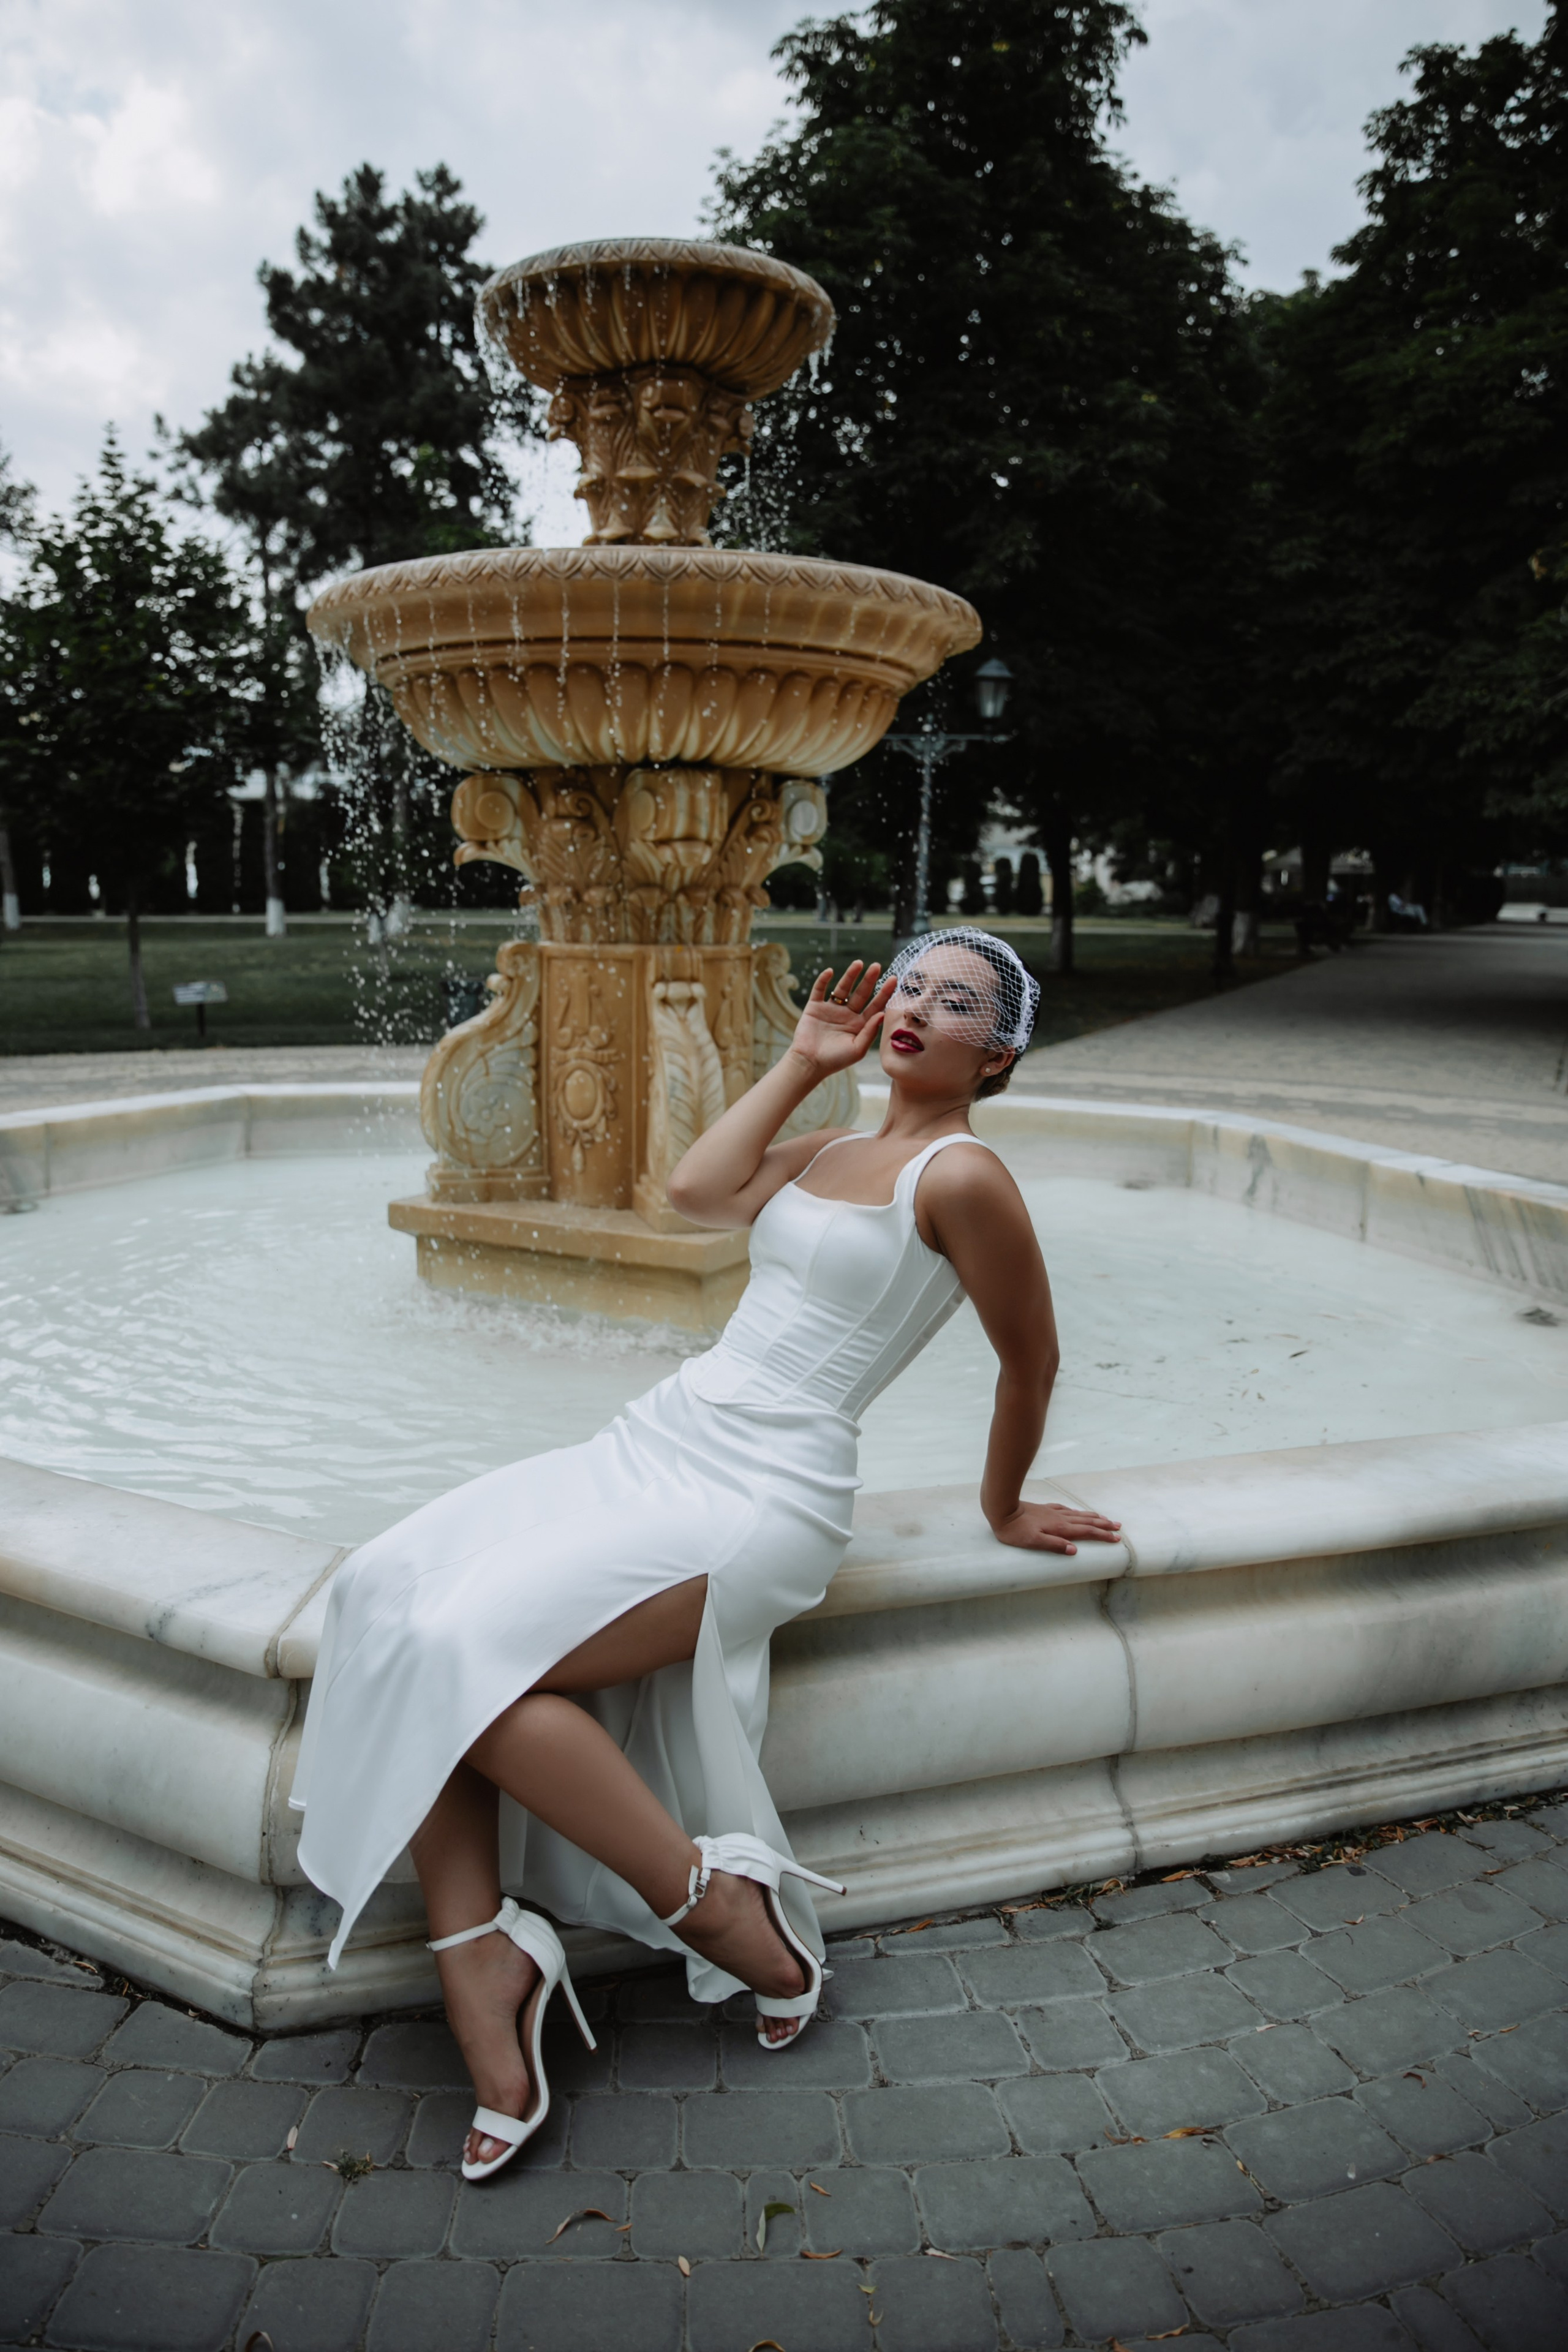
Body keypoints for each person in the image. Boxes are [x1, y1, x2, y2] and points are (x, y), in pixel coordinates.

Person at [289, 926, 1121, 2178]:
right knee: (391, 1591)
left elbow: (1030, 1358)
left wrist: (1001, 1506)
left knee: (475, 1663)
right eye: (908, 984)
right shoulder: (833, 1142)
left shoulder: (961, 1178)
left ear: (995, 1055)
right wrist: (799, 1062)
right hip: (658, 1440)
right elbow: (695, 1193)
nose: (913, 1007)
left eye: (955, 1004)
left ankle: (716, 1916)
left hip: (765, 1496)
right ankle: (489, 1961)